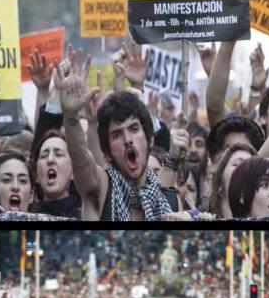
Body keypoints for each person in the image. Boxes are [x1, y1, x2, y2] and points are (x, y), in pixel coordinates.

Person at [54, 53, 181, 220]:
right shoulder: (100, 188)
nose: (127, 139)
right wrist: (70, 114)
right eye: (116, 135)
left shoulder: (171, 202)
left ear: (150, 139)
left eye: (134, 129)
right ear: (106, 153)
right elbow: (80, 158)